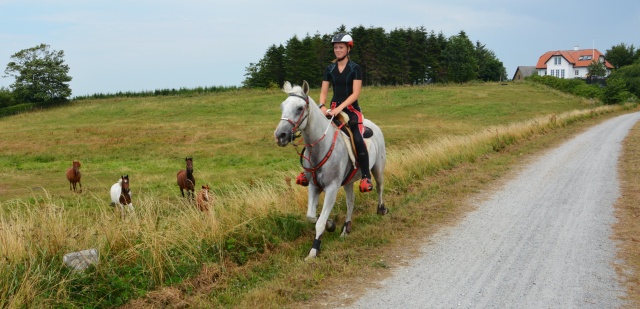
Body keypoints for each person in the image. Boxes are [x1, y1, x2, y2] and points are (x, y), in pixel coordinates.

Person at [296, 33, 373, 193]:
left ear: (348, 49)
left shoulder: (355, 68)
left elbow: (355, 94)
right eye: (335, 47)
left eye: (341, 47)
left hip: (351, 110)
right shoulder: (329, 69)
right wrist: (322, 105)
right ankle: (307, 172)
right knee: (313, 133)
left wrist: (339, 108)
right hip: (332, 109)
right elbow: (323, 92)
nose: (337, 50)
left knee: (357, 138)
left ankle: (366, 176)